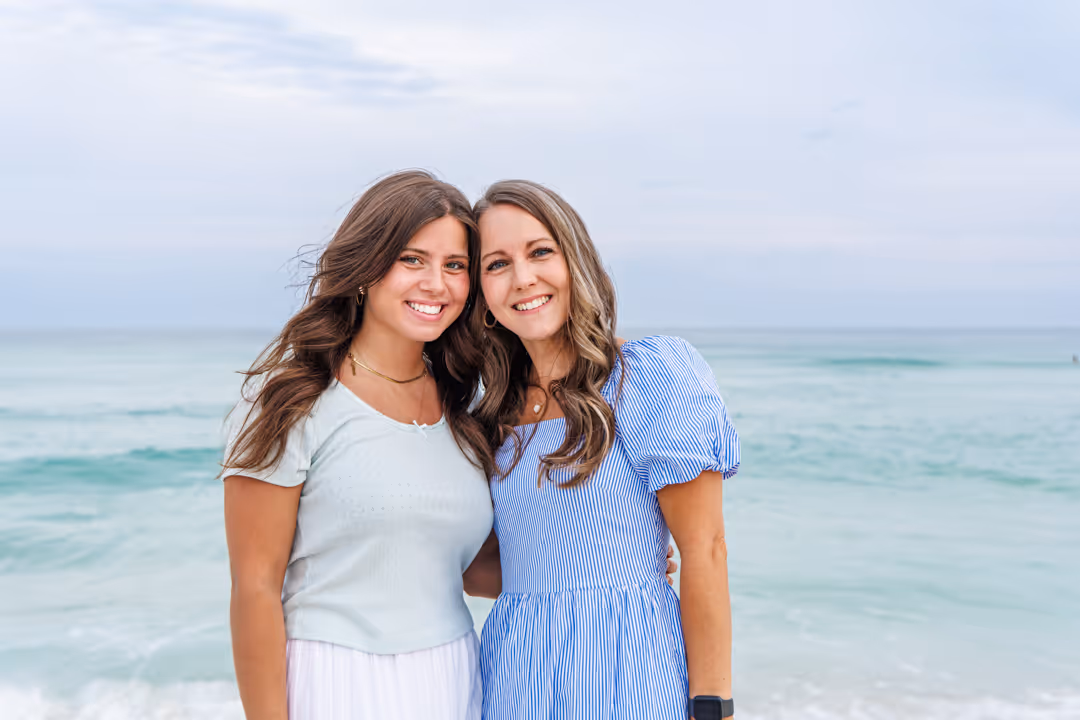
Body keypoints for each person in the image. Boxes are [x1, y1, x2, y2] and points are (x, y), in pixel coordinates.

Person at [221, 170, 495, 720]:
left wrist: (613, 554)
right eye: (412, 260)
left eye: (455, 266)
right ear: (368, 268)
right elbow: (255, 590)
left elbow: (467, 568)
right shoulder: (291, 404)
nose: (436, 285)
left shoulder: (465, 411)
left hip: (455, 676)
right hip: (335, 679)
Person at [469, 180, 741, 720]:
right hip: (515, 681)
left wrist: (714, 709)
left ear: (576, 261)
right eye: (497, 264)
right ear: (484, 300)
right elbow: (484, 569)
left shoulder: (649, 376)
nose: (523, 278)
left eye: (540, 251)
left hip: (632, 676)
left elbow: (705, 549)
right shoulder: (488, 421)